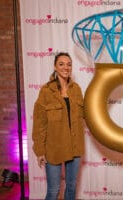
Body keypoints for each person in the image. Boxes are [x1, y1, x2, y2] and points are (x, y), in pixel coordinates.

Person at [32, 52, 85, 200]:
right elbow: (39, 123)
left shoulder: (76, 89)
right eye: (61, 64)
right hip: (53, 148)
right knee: (54, 190)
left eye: (69, 64)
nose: (66, 67)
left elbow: (86, 113)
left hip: (74, 146)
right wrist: (40, 150)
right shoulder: (46, 91)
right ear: (55, 67)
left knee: (71, 188)